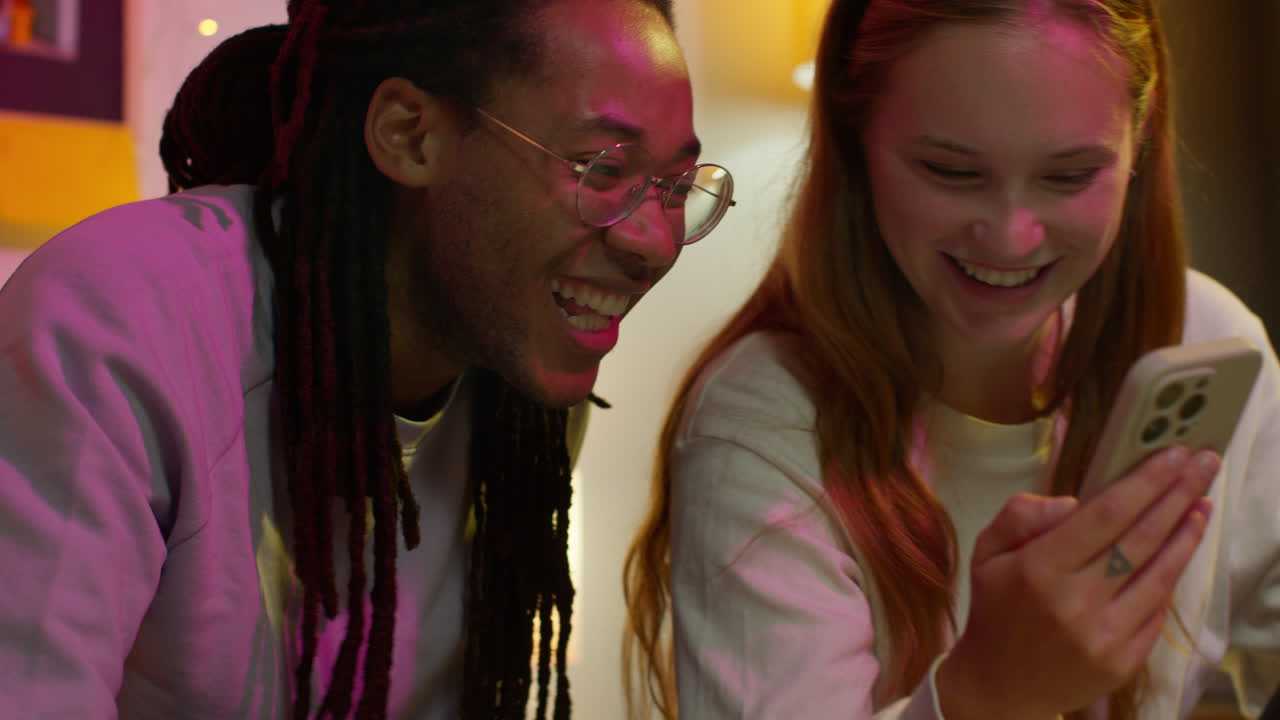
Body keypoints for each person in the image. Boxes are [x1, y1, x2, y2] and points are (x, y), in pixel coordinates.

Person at [0, 0, 737, 718]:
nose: (654, 242)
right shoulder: (123, 318)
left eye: (674, 186)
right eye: (600, 169)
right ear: (409, 136)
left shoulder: (520, 399)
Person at [624, 0, 1279, 718]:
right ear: (855, 139)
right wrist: (987, 693)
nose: (1011, 237)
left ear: (1140, 144)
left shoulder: (1208, 340)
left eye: (1068, 177)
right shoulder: (762, 426)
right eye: (950, 171)